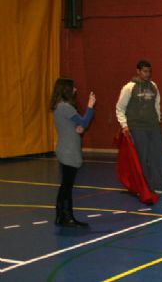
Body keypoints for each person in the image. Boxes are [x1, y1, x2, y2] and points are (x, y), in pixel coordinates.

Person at [116, 60, 162, 195]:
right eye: (144, 71)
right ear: (138, 71)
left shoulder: (153, 86)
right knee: (142, 157)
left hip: (153, 127)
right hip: (137, 127)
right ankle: (144, 186)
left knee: (157, 156)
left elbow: (157, 105)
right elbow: (120, 108)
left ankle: (160, 185)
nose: (147, 74)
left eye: (149, 71)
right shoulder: (129, 88)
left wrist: (158, 120)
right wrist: (124, 125)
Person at [50, 78, 96, 227]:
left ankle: (62, 216)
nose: (75, 90)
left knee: (66, 184)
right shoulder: (66, 107)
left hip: (66, 148)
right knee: (67, 185)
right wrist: (90, 106)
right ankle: (66, 216)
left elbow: (77, 126)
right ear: (66, 90)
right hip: (68, 150)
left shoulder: (61, 107)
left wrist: (79, 128)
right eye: (73, 88)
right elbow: (83, 122)